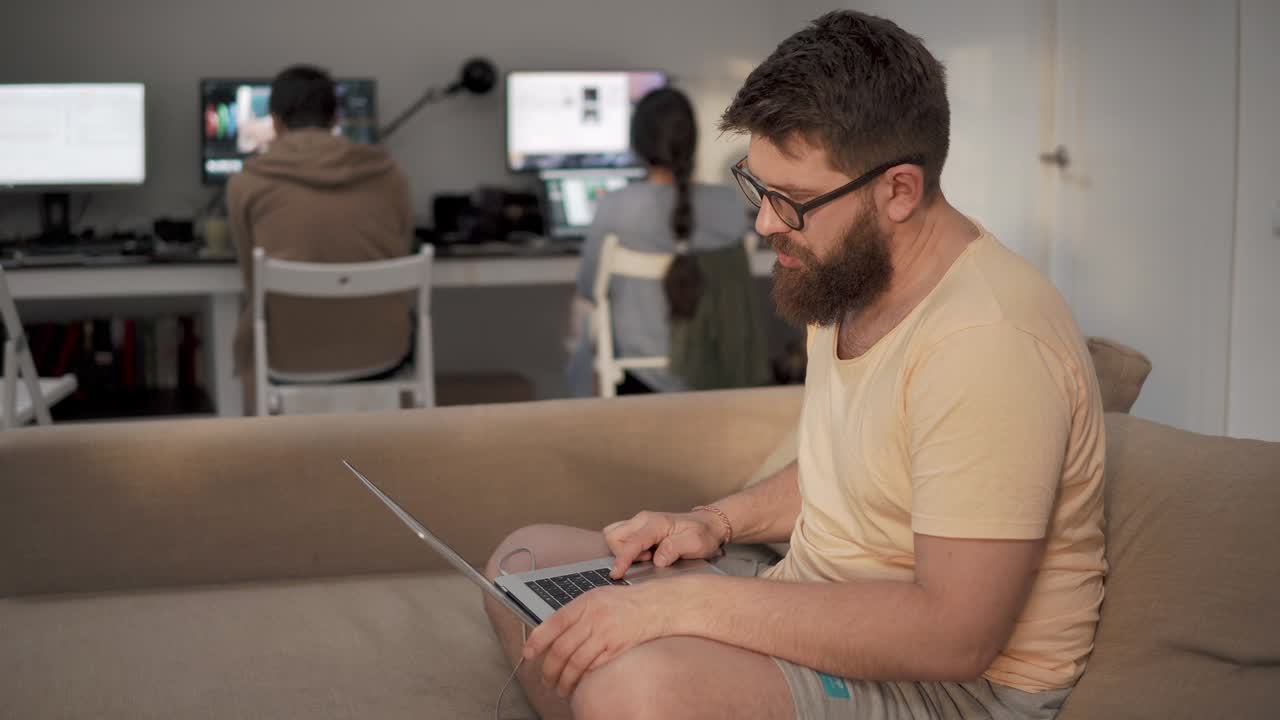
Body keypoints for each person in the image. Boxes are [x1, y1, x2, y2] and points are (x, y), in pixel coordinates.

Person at [484, 10, 1106, 720]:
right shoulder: (848, 274)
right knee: (523, 564)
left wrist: (692, 605)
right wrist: (714, 522)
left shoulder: (990, 341)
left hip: (944, 684)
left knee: (636, 687)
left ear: (898, 190)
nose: (764, 223)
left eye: (794, 201)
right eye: (757, 184)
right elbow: (851, 464)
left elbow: (952, 637)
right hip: (814, 595)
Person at [227, 65, 413, 414]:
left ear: (276, 122)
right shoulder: (390, 174)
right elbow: (401, 250)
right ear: (335, 117)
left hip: (289, 358)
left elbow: (252, 279)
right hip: (381, 353)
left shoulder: (246, 182)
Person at [568, 87, 755, 396]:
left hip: (638, 375)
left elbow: (589, 288)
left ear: (637, 144)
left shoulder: (616, 206)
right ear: (692, 141)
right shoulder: (729, 205)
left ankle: (584, 416)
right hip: (715, 370)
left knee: (583, 318)